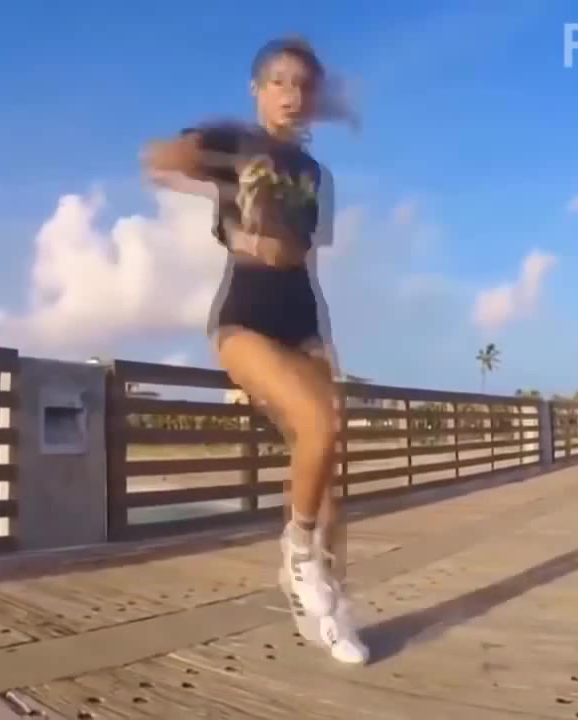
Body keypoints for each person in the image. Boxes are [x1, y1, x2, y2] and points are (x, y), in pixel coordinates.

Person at [140, 36, 367, 664]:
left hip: (302, 317)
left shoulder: (314, 174)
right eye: (279, 82)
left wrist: (325, 341)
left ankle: (330, 608)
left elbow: (307, 261)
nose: (291, 95)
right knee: (319, 427)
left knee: (327, 480)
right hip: (244, 315)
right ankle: (296, 556)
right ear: (257, 90)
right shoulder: (235, 141)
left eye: (303, 86)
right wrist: (202, 166)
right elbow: (158, 160)